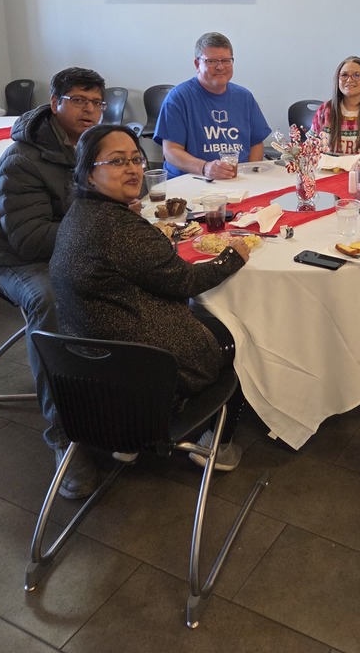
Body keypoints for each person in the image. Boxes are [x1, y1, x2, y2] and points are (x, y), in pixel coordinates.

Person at [50, 124, 252, 470]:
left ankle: (127, 441)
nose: (131, 169)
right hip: (140, 379)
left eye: (135, 159)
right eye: (116, 162)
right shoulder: (119, 230)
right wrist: (233, 256)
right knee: (236, 333)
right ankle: (218, 446)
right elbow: (185, 280)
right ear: (87, 175)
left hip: (85, 379)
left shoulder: (79, 215)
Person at [0, 67, 107, 499]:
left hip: (72, 248)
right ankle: (66, 439)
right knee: (52, 303)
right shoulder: (23, 157)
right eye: (79, 101)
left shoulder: (91, 145)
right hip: (17, 260)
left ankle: (120, 401)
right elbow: (30, 238)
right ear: (55, 103)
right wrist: (98, 228)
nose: (89, 110)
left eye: (96, 103)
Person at [154, 32, 271, 180]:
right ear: (197, 64)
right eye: (212, 61)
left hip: (237, 181)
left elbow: (256, 143)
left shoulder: (244, 97)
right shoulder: (178, 98)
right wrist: (205, 168)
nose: (220, 67)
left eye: (226, 60)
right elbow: (171, 152)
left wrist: (250, 176)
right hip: (191, 181)